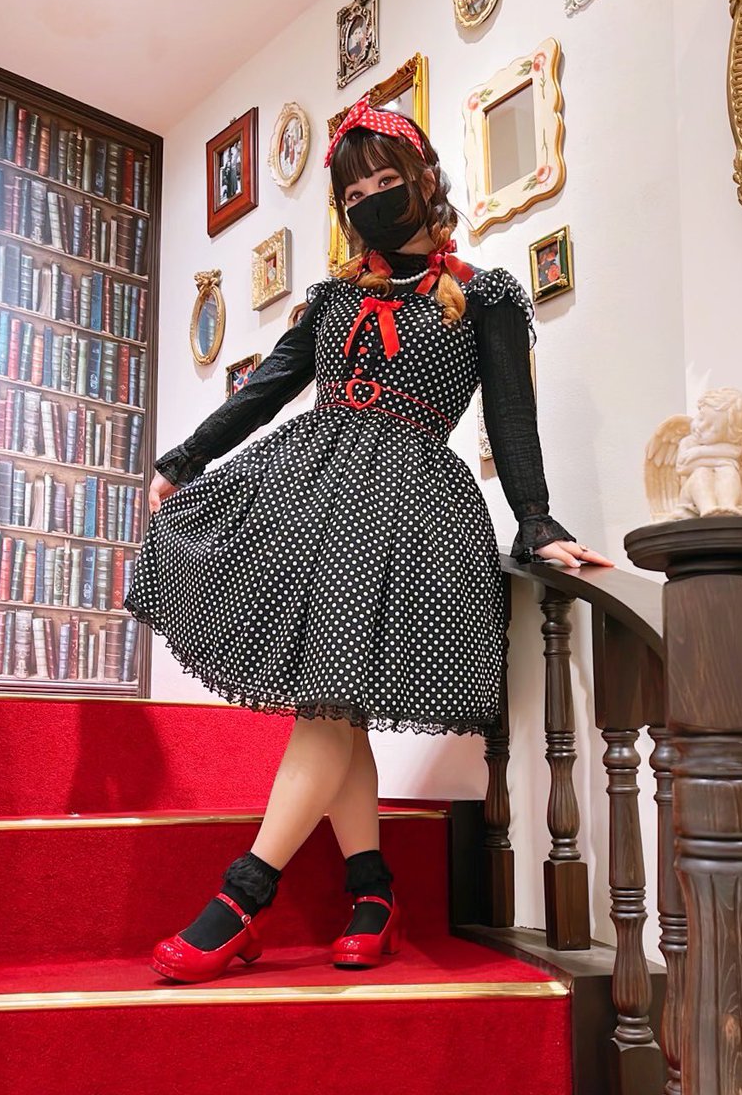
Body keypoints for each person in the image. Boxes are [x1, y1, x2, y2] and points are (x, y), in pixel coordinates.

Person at [124, 93, 612, 985]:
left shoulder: (486, 296)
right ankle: (373, 894)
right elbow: (265, 391)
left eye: (385, 181)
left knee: (328, 708)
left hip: (408, 515)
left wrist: (538, 522)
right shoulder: (335, 297)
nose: (370, 202)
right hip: (314, 500)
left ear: (424, 178)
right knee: (335, 707)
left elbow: (511, 419)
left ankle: (242, 899)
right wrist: (182, 461)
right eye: (352, 195)